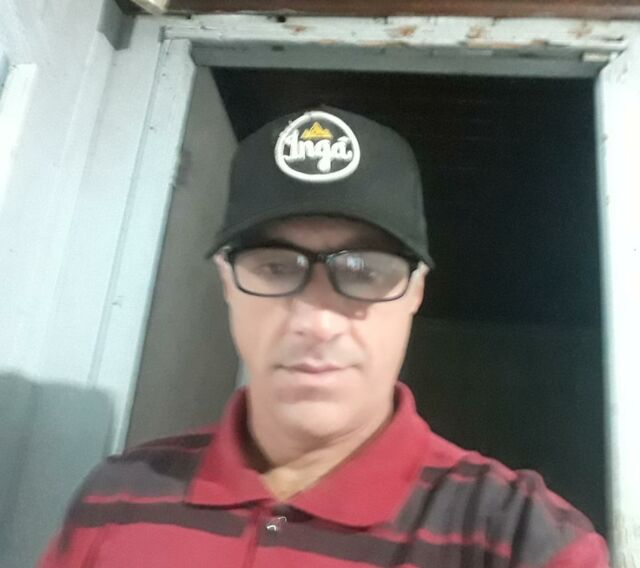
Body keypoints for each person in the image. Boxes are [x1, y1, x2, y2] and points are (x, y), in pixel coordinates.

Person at [38, 107, 609, 567]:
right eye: (275, 267)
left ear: (414, 291)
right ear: (228, 283)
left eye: (364, 272)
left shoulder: (521, 537)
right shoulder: (116, 497)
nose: (316, 322)